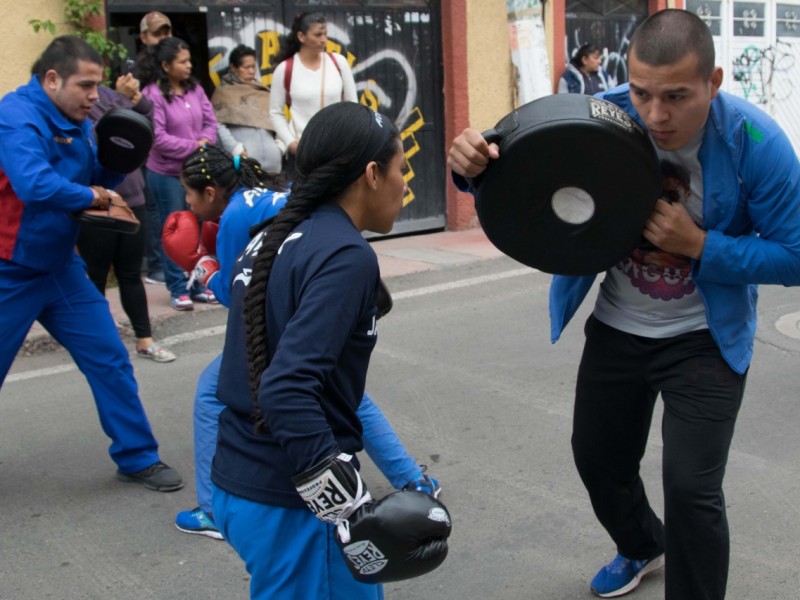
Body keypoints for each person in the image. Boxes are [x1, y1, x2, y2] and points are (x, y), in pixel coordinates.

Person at [448, 9, 800, 600]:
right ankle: (640, 543)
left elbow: (794, 253)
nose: (655, 115)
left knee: (691, 490)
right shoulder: (601, 114)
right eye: (642, 93)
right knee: (598, 461)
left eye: (677, 97)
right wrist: (468, 167)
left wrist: (702, 247)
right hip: (618, 327)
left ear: (713, 83)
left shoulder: (755, 143)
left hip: (704, 339)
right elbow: (509, 162)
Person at [164, 143, 439, 539]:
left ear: (210, 193)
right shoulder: (265, 203)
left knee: (219, 391)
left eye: (189, 195)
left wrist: (201, 264)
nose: (187, 205)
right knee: (341, 390)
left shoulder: (237, 218)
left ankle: (211, 508)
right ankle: (412, 479)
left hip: (300, 298)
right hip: (310, 289)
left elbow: (237, 293)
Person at [209, 103, 408, 598]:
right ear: (371, 175)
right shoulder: (345, 255)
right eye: (401, 168)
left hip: (241, 484)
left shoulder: (271, 236)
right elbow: (285, 387)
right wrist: (349, 504)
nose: (405, 183)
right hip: (292, 503)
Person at [0, 35, 183, 491]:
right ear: (52, 79)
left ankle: (138, 456)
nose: (94, 96)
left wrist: (121, 161)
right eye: (85, 85)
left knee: (109, 358)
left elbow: (95, 176)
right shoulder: (15, 116)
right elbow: (35, 185)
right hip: (9, 270)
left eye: (98, 86)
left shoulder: (77, 116)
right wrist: (97, 194)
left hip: (60, 269)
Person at [76, 74, 177, 363]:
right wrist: (121, 99)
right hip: (98, 201)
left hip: (133, 199)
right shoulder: (84, 104)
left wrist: (138, 100)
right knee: (95, 275)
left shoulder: (111, 95)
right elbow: (107, 132)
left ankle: (145, 340)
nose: (93, 91)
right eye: (87, 81)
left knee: (131, 274)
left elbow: (146, 125)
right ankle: (97, 342)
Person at [140, 36, 219, 311]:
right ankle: (176, 287)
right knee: (175, 231)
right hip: (166, 174)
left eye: (189, 61)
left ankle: (197, 283)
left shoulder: (195, 89)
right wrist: (194, 147)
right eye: (182, 61)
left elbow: (211, 121)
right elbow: (158, 137)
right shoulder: (153, 94)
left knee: (198, 229)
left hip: (196, 172)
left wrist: (205, 142)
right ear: (165, 65)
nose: (188, 66)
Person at [269, 12, 357, 178]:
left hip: (337, 151)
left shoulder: (338, 63)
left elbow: (353, 105)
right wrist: (291, 143)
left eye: (325, 34)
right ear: (301, 36)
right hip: (302, 154)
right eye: (317, 34)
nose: (323, 39)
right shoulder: (285, 69)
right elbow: (275, 112)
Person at [136, 11, 173, 285]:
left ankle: (172, 265)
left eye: (167, 31)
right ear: (144, 37)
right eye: (158, 32)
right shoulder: (139, 72)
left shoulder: (173, 67)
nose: (164, 37)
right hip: (147, 151)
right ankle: (156, 265)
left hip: (173, 152)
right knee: (154, 210)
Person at [212, 44, 283, 174]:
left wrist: (279, 146)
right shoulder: (224, 93)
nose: (251, 71)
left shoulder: (262, 91)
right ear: (233, 68)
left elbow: (277, 118)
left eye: (253, 66)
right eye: (246, 67)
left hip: (273, 164)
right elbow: (217, 124)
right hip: (244, 164)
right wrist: (236, 150)